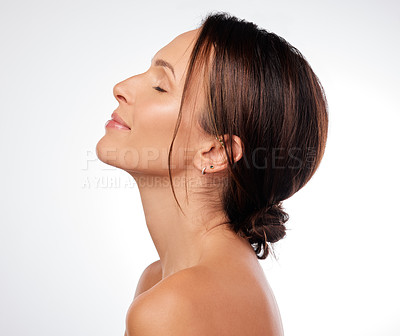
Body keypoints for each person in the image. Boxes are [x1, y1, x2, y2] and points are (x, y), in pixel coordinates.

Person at [96, 11, 328, 336]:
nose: (121, 87)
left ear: (216, 152)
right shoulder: (165, 280)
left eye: (161, 86)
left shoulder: (175, 304)